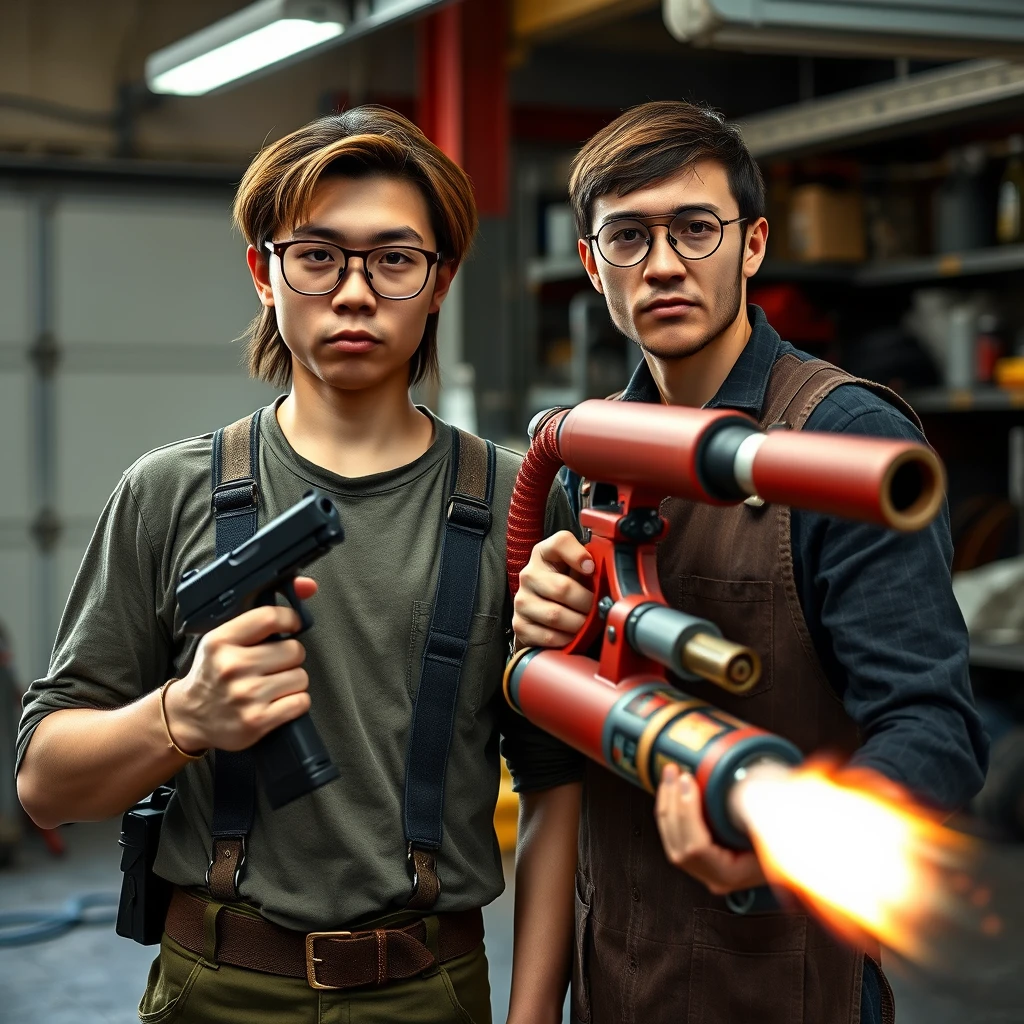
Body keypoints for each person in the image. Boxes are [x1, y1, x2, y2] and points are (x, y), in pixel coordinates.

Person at [16, 105, 581, 1024]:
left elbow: (558, 791)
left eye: (395, 259)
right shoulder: (165, 494)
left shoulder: (520, 502)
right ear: (263, 273)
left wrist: (530, 1020)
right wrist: (183, 715)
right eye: (317, 256)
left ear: (439, 283)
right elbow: (44, 780)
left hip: (431, 991)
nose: (354, 291)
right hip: (217, 987)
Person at [512, 100, 988, 1024]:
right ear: (589, 263)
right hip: (615, 972)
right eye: (628, 237)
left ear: (754, 244)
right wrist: (548, 626)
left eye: (696, 229)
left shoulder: (841, 435)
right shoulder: (592, 451)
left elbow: (933, 729)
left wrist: (782, 844)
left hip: (778, 979)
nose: (662, 264)